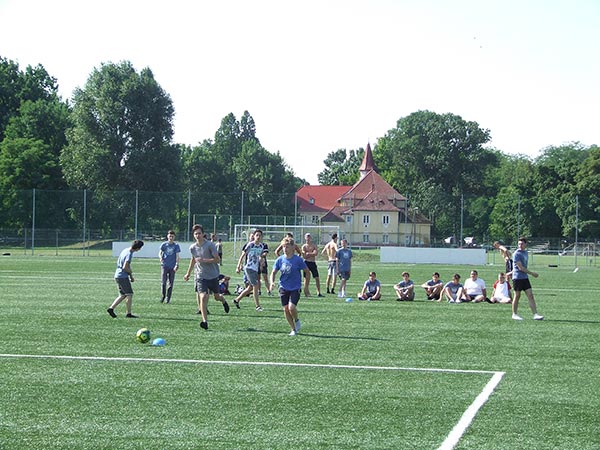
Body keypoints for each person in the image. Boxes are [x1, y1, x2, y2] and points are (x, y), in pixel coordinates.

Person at [183, 224, 230, 330]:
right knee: (203, 297)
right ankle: (205, 321)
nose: (198, 235)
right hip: (201, 276)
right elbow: (193, 260)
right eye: (196, 234)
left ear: (203, 234)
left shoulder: (210, 245)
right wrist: (188, 273)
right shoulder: (192, 247)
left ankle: (223, 301)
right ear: (193, 235)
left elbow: (217, 259)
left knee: (217, 297)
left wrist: (205, 260)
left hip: (213, 275)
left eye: (199, 233)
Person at [270, 236, 309, 336]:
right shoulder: (280, 260)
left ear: (292, 247)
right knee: (286, 309)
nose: (285, 249)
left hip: (295, 287)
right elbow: (273, 272)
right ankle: (293, 329)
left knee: (291, 307)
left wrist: (306, 286)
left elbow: (307, 272)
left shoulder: (298, 260)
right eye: (283, 247)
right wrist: (272, 282)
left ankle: (296, 320)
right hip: (283, 287)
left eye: (287, 247)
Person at [107, 240, 144, 318]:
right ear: (138, 248)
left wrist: (130, 275)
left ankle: (111, 308)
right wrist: (131, 273)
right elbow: (125, 267)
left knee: (123, 295)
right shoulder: (129, 254)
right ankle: (128, 313)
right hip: (122, 276)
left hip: (117, 275)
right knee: (129, 294)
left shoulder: (125, 250)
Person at [234, 228, 268, 311]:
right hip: (249, 268)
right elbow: (243, 255)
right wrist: (238, 266)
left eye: (260, 235)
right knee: (256, 286)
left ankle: (237, 300)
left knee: (250, 288)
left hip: (255, 268)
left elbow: (260, 256)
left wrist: (261, 263)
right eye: (257, 235)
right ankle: (257, 306)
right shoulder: (250, 245)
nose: (258, 237)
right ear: (254, 236)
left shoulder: (261, 246)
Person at [512, 237, 544, 321]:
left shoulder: (525, 252)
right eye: (519, 244)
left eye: (522, 244)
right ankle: (514, 314)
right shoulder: (516, 254)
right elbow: (521, 268)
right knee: (517, 296)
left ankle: (535, 314)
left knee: (530, 295)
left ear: (526, 244)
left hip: (524, 277)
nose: (520, 245)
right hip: (517, 278)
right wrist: (532, 273)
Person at [158, 230, 181, 304]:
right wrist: (160, 258)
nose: (171, 238)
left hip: (172, 266)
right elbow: (160, 253)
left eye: (172, 236)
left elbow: (177, 256)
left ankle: (168, 298)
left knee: (171, 283)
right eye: (170, 236)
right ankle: (163, 296)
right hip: (164, 265)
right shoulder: (164, 245)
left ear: (174, 237)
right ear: (167, 236)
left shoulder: (176, 245)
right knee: (163, 282)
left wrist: (177, 264)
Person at [301, 232, 323, 297]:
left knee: (317, 278)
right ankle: (306, 292)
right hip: (306, 263)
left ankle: (318, 292)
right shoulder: (304, 246)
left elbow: (315, 253)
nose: (308, 238)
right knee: (306, 278)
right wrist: (311, 253)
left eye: (309, 236)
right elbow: (304, 256)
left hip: (313, 263)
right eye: (307, 236)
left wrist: (309, 254)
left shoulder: (314, 245)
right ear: (305, 238)